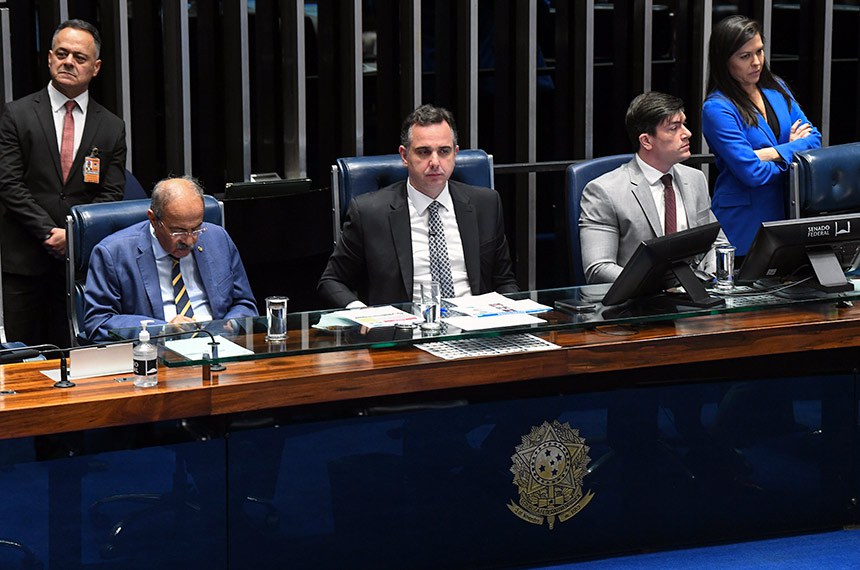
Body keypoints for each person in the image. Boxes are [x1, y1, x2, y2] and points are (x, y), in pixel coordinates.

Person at [0, 19, 127, 347]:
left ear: (96, 67)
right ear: (49, 58)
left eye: (79, 57)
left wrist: (72, 235)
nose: (69, 61)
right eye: (62, 54)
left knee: (72, 356)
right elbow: (9, 184)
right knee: (21, 358)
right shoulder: (17, 114)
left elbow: (111, 194)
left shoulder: (111, 127)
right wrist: (49, 232)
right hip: (24, 260)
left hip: (79, 267)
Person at [318, 104, 518, 307]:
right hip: (404, 324)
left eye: (444, 151)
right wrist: (362, 313)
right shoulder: (369, 213)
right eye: (424, 152)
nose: (435, 162)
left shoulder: (486, 204)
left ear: (455, 153)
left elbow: (504, 281)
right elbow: (332, 281)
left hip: (474, 322)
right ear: (405, 156)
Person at [83, 177, 257, 341]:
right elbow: (98, 322)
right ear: (153, 219)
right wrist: (161, 330)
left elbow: (244, 303)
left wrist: (232, 324)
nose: (189, 240)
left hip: (218, 346)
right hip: (155, 352)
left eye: (196, 228)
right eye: (178, 231)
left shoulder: (217, 238)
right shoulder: (114, 253)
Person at [702, 15, 821, 256]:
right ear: (724, 60)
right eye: (745, 56)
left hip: (789, 213)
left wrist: (770, 153)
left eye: (759, 51)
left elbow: (814, 139)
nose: (756, 62)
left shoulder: (776, 87)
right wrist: (792, 154)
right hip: (744, 223)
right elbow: (752, 173)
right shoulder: (717, 108)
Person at [579, 91, 722, 284]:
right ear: (646, 141)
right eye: (674, 128)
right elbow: (598, 268)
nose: (687, 133)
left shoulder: (695, 179)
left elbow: (718, 242)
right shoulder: (604, 191)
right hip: (639, 297)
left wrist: (709, 276)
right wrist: (658, 286)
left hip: (695, 294)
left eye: (684, 124)